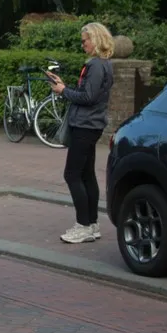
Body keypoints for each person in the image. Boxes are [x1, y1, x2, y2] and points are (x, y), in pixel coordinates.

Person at [47, 22, 115, 244]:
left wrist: (63, 91)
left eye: (85, 40)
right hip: (91, 124)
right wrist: (64, 86)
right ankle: (92, 224)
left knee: (72, 174)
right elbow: (87, 93)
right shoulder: (104, 64)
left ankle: (83, 225)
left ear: (95, 39)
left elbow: (88, 98)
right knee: (86, 174)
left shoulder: (96, 65)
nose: (83, 44)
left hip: (85, 125)